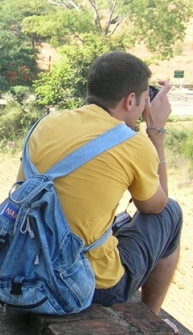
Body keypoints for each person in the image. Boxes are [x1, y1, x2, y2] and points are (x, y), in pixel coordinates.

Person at [19, 51, 182, 314]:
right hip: (90, 285)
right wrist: (156, 131)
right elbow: (156, 205)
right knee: (171, 212)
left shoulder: (47, 124)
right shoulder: (133, 144)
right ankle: (149, 319)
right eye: (144, 100)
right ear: (130, 100)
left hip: (25, 269)